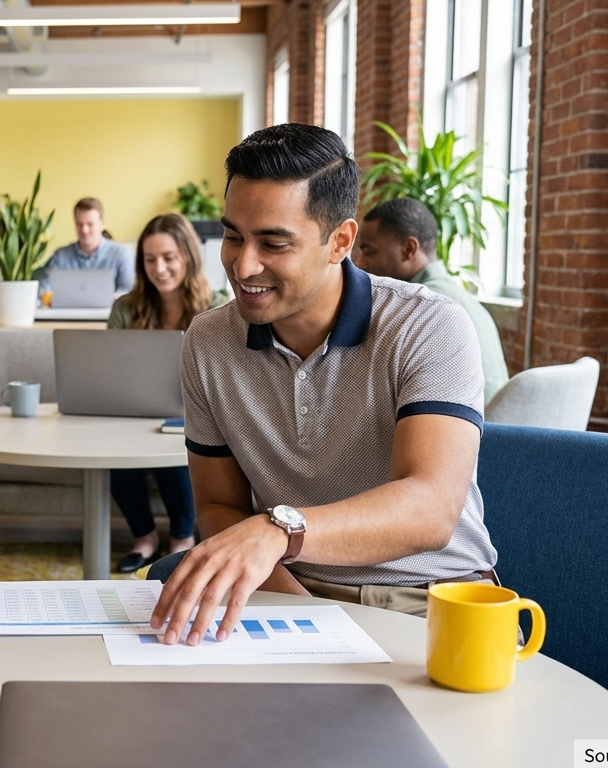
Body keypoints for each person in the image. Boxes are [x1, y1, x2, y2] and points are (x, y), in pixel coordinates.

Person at [147, 123, 499, 646]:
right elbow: (219, 508)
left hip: (423, 598)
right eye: (234, 236)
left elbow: (429, 508)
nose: (243, 265)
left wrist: (279, 529)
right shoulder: (209, 339)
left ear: (340, 241)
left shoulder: (429, 326)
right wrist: (302, 614)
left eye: (274, 243)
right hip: (287, 589)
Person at [107, 213, 224, 573]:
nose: (159, 268)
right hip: (134, 413)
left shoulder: (217, 305)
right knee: (115, 461)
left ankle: (182, 540)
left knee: (177, 452)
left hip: (194, 416)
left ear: (187, 257)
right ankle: (144, 537)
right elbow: (109, 370)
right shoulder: (125, 308)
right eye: (150, 259)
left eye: (169, 258)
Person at [354, 197, 510, 402]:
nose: (360, 263)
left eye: (369, 251)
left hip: (469, 430)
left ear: (409, 249)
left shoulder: (423, 309)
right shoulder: (462, 299)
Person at [41, 198, 135, 293]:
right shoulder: (61, 256)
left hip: (110, 307)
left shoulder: (122, 254)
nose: (84, 230)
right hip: (69, 308)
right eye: (79, 224)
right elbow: (45, 288)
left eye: (90, 224)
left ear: (101, 224)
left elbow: (129, 292)